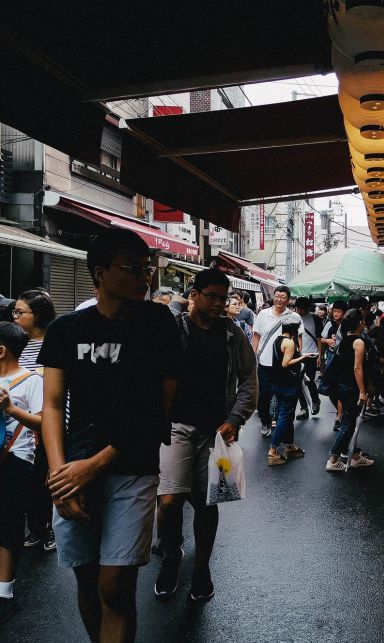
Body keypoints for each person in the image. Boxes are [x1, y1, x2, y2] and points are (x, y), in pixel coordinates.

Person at [38, 228, 182, 643]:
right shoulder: (65, 329)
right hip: (72, 469)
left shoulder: (159, 324)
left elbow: (159, 410)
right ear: (99, 274)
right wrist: (59, 476)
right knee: (86, 582)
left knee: (114, 585)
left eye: (148, 268)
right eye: (133, 269)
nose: (145, 277)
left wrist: (95, 464)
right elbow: (51, 405)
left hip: (131, 468)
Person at [154, 268, 255, 602]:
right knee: (168, 501)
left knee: (207, 501)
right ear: (193, 294)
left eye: (223, 298)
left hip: (216, 434)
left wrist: (236, 419)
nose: (219, 304)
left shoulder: (232, 334)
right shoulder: (173, 327)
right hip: (175, 427)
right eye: (211, 296)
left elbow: (249, 380)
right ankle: (171, 556)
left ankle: (201, 568)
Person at [0, 322, 44, 623]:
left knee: (9, 523)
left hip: (16, 459)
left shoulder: (32, 381)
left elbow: (44, 423)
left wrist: (11, 409)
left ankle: (5, 591)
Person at [13, 290, 57, 553]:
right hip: (15, 423)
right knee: (26, 480)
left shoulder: (54, 342)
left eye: (21, 312)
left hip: (46, 423)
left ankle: (47, 528)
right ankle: (35, 527)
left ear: (37, 315)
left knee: (44, 478)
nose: (15, 316)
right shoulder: (13, 341)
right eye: (14, 312)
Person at [325, 308, 374, 471]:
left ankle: (353, 455)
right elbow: (357, 368)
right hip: (352, 388)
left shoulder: (344, 340)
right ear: (360, 323)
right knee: (348, 423)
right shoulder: (358, 342)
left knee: (350, 422)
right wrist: (362, 391)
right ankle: (333, 458)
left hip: (341, 386)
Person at [252, 285, 302, 437]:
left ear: (288, 299)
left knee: (283, 395)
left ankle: (280, 422)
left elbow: (298, 339)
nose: (279, 300)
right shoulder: (263, 314)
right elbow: (256, 336)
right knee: (264, 395)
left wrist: (299, 358)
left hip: (283, 365)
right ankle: (265, 420)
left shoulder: (294, 317)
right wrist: (253, 356)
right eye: (277, 296)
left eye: (283, 297)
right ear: (273, 297)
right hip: (265, 362)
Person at [267, 313, 312, 466]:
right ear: (294, 329)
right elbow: (286, 363)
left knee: (286, 415)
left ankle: (289, 445)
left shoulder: (277, 340)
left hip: (278, 384)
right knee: (285, 417)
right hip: (288, 385)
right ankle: (273, 450)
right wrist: (304, 357)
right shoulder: (289, 343)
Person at [321, 301, 348, 432]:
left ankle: (339, 417)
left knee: (340, 388)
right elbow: (321, 339)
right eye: (334, 311)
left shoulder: (347, 325)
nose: (336, 314)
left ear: (344, 313)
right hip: (331, 359)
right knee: (331, 389)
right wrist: (328, 341)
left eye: (339, 311)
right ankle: (340, 412)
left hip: (343, 361)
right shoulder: (329, 324)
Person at [294, 297, 321, 419]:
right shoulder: (293, 319)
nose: (300, 311)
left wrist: (320, 355)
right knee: (299, 383)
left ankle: (315, 401)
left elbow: (319, 338)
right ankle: (304, 408)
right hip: (298, 355)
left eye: (302, 309)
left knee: (309, 380)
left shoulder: (315, 318)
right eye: (298, 308)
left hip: (312, 354)